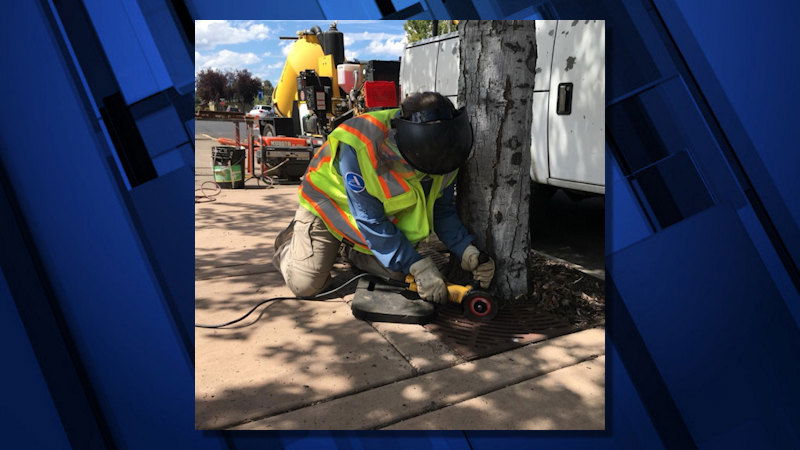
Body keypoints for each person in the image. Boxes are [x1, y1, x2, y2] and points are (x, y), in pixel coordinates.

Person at [273, 91, 495, 303]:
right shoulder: (361, 145)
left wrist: (466, 250)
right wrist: (416, 264)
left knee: (404, 277)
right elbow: (370, 219)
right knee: (305, 286)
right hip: (328, 208)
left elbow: (442, 210)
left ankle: (350, 250)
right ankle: (289, 243)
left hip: (370, 221)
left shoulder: (447, 152)